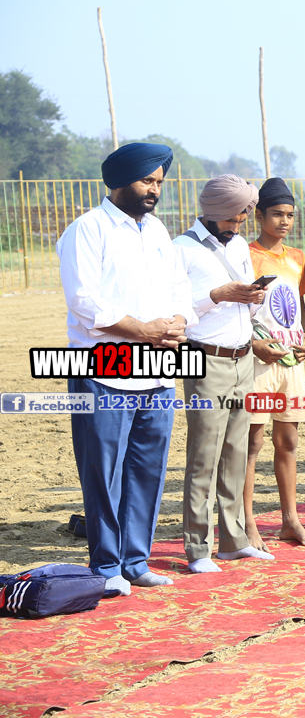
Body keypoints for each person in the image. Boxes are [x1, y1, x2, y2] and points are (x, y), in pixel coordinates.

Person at [57, 142, 197, 596]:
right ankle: (106, 565)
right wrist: (143, 330)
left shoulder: (157, 231)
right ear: (119, 181)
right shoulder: (88, 228)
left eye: (159, 182)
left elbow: (180, 287)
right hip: (104, 367)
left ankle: (136, 561)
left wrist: (179, 321)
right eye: (146, 181)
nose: (154, 189)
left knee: (147, 469)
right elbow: (83, 300)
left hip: (157, 367)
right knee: (104, 472)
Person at [174, 175, 274, 573]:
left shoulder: (239, 246)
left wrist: (253, 296)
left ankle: (234, 541)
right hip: (205, 359)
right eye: (232, 217)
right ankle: (198, 548)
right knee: (204, 456)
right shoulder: (181, 249)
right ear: (213, 211)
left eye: (242, 217)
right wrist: (217, 295)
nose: (237, 224)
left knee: (235, 452)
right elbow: (175, 308)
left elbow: (245, 304)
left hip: (243, 358)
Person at [243, 178, 305, 548]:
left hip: (291, 361)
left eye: (290, 215)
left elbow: (298, 306)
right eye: (277, 214)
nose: (285, 221)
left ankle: (290, 519)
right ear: (259, 215)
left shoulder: (297, 258)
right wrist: (254, 344)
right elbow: (239, 310)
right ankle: (247, 523)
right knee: (252, 442)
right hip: (257, 361)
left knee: (288, 440)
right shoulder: (245, 255)